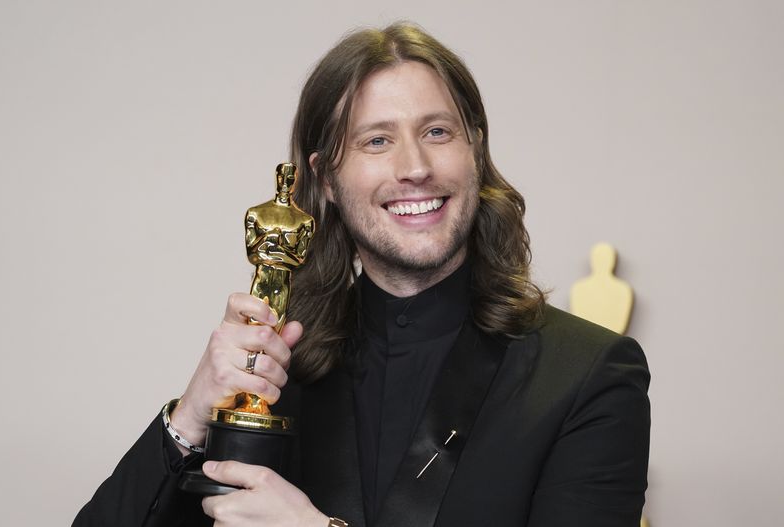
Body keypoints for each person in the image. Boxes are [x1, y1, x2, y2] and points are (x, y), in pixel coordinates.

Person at [74, 22, 650, 527]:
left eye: (437, 132)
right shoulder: (278, 376)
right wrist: (192, 414)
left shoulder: (589, 376)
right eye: (377, 141)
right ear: (326, 178)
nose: (416, 168)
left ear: (474, 149)